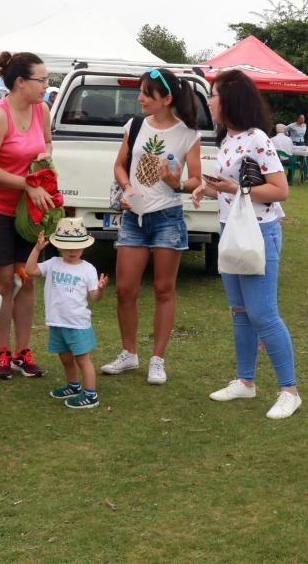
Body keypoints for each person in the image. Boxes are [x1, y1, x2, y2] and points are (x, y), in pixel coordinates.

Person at [193, 70, 301, 419]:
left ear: (231, 99)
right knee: (240, 313)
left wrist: (233, 189)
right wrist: (207, 189)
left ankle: (290, 390)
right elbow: (232, 188)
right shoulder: (228, 139)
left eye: (213, 94)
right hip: (232, 230)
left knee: (263, 314)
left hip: (259, 233)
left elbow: (279, 189)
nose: (209, 101)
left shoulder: (257, 139)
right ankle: (246, 381)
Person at [101, 68, 202, 384]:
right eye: (141, 91)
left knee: (163, 290)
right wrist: (126, 189)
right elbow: (120, 165)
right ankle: (129, 354)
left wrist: (176, 182)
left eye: (147, 93)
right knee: (126, 290)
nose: (140, 98)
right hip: (133, 217)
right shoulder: (134, 125)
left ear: (167, 98)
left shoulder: (188, 134)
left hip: (167, 219)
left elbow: (196, 180)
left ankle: (157, 360)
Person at [0, 51, 54, 380]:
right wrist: (27, 183)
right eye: (42, 80)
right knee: (4, 281)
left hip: (29, 211)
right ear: (20, 82)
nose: (46, 86)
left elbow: (47, 143)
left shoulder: (41, 110)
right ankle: (2, 352)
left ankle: (23, 352)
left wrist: (44, 165)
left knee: (27, 277)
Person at [24, 219, 108, 410]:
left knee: (82, 360)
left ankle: (90, 394)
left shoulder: (88, 269)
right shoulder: (53, 263)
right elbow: (30, 270)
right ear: (59, 246)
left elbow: (94, 296)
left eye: (77, 247)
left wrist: (101, 289)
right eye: (67, 246)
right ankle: (73, 386)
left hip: (78, 324)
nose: (72, 251)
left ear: (84, 246)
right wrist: (37, 249)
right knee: (65, 358)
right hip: (57, 322)